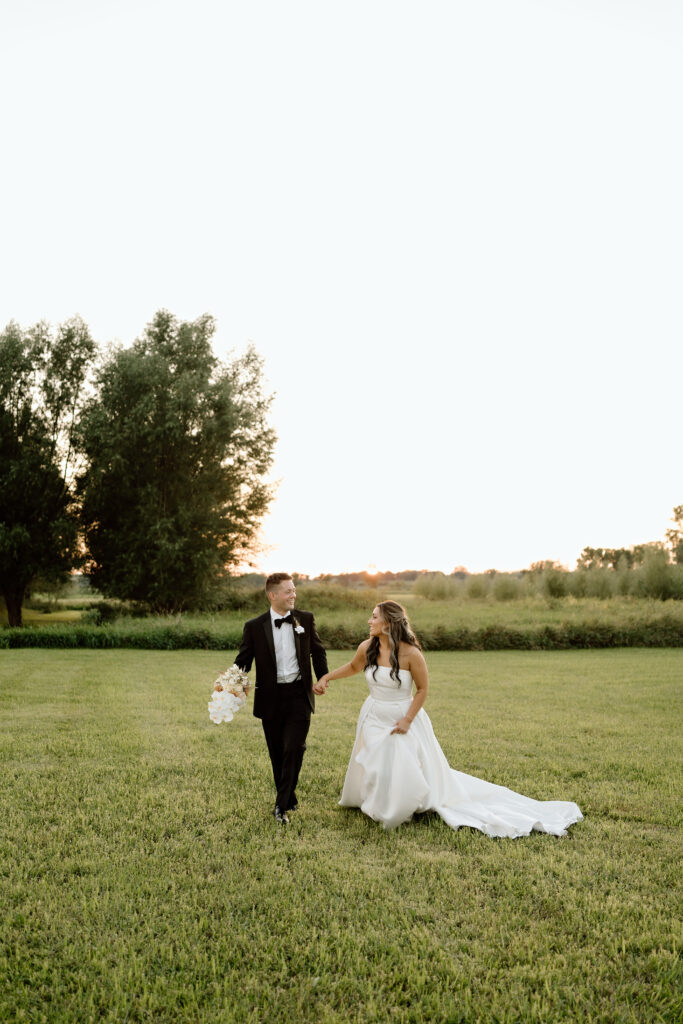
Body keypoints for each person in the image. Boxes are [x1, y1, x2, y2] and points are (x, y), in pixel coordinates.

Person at [314, 600, 583, 836]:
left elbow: (422, 690)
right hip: (373, 713)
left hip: (403, 716)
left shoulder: (411, 654)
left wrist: (408, 719)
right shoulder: (367, 647)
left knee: (403, 763)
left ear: (388, 623)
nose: (369, 620)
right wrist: (326, 677)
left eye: (374, 616)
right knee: (375, 761)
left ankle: (401, 806)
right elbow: (352, 667)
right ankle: (375, 801)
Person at [234, 573, 328, 825]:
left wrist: (323, 678)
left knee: (294, 748)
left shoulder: (305, 619)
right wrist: (230, 687)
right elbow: (243, 661)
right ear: (272, 595)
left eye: (294, 590)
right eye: (288, 591)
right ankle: (289, 796)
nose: (293, 595)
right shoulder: (254, 626)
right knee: (277, 752)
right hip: (270, 698)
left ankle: (280, 806)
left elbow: (318, 651)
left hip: (299, 694)